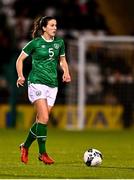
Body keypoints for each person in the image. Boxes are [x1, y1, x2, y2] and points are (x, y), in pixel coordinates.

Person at [16, 16, 71, 165]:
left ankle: (25, 146)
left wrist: (66, 71)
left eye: (56, 25)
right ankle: (43, 153)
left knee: (40, 121)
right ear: (44, 28)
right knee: (45, 118)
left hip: (52, 85)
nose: (55, 28)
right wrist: (20, 76)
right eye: (52, 25)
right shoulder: (35, 43)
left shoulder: (59, 43)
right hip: (36, 83)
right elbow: (20, 59)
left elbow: (62, 60)